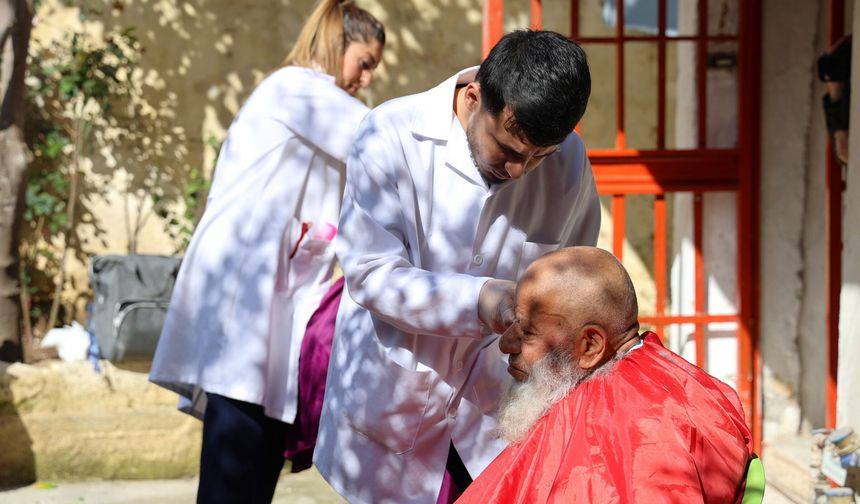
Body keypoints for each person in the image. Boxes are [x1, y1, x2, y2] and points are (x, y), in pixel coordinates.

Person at [314, 30, 601, 504]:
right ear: (474, 96)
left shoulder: (569, 165)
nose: (518, 171)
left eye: (538, 157)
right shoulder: (390, 133)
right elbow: (371, 273)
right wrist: (482, 300)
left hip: (495, 422)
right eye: (507, 150)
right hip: (393, 407)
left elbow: (571, 274)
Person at [148, 1, 384, 501]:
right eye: (364, 62)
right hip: (247, 295)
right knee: (237, 454)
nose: (365, 78)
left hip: (275, 295)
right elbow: (383, 141)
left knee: (257, 453)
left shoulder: (314, 97)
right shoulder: (298, 89)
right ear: (339, 43)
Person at [456, 246, 755, 503]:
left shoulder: (630, 437)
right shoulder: (669, 375)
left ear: (590, 346)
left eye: (528, 332)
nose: (506, 344)